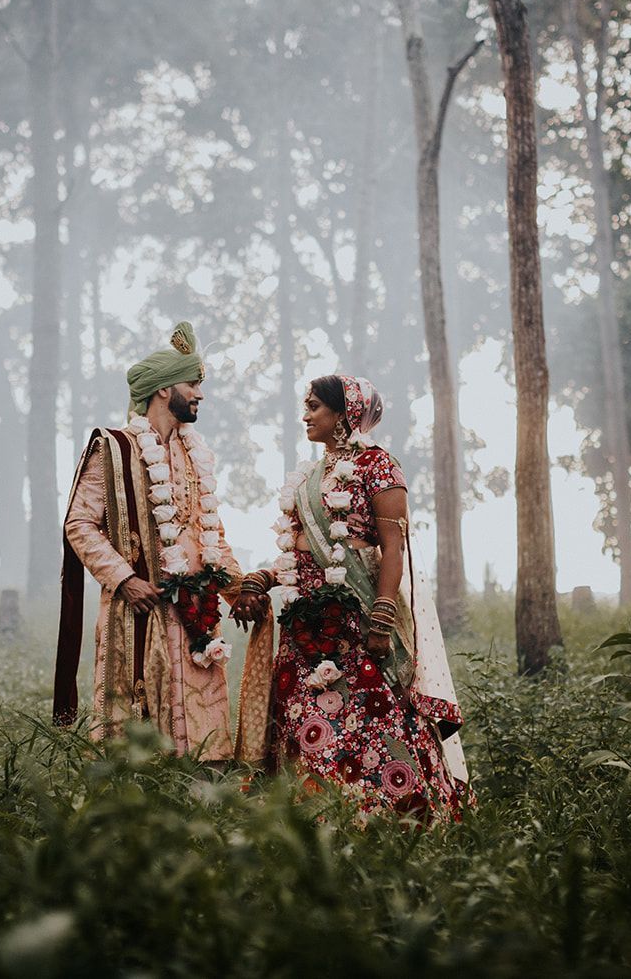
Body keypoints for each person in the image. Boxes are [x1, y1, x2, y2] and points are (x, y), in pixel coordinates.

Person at [233, 374, 471, 820]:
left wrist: (381, 619)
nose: (305, 414)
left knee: (374, 718)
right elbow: (299, 550)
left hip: (356, 621)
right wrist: (261, 578)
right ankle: (312, 820)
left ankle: (395, 816)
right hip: (305, 624)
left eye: (314, 406)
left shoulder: (379, 465)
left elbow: (393, 546)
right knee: (303, 719)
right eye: (305, 405)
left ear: (344, 414)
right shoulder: (309, 475)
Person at [54, 322, 246, 762]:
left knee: (203, 745)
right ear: (163, 390)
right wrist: (124, 579)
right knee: (137, 746)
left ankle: (203, 808)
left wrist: (240, 590)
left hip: (196, 615)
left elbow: (209, 534)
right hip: (138, 610)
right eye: (193, 384)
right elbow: (80, 523)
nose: (200, 394)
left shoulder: (197, 454)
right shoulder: (115, 449)